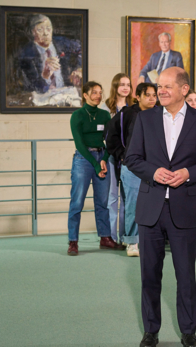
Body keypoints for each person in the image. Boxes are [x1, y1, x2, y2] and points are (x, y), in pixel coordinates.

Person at [124, 67, 196, 347]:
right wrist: (154, 172)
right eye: (158, 86)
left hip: (184, 209)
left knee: (185, 274)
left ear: (184, 89)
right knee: (149, 276)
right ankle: (151, 332)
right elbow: (132, 158)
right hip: (150, 208)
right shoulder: (144, 118)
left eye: (166, 86)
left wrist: (188, 173)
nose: (160, 91)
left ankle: (189, 332)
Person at [67, 82, 121, 255]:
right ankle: (73, 241)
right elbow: (79, 144)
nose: (98, 95)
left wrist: (104, 159)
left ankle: (105, 238)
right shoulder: (77, 115)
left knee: (102, 202)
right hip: (83, 160)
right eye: (94, 92)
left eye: (100, 92)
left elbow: (110, 141)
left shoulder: (105, 115)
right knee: (77, 202)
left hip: (102, 157)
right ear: (85, 95)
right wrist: (96, 164)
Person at [106, 82, 158, 257]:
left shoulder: (159, 114)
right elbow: (110, 135)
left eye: (154, 95)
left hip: (153, 167)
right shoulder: (127, 114)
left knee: (152, 204)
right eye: (147, 95)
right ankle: (131, 242)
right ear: (138, 96)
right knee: (133, 204)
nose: (152, 99)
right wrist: (122, 155)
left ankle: (149, 240)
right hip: (132, 166)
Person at [102, 73, 133, 246]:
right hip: (112, 157)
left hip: (128, 158)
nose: (125, 88)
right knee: (113, 197)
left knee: (128, 197)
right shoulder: (107, 108)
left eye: (128, 84)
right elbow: (106, 136)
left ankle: (126, 236)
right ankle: (113, 237)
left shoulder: (133, 108)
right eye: (122, 84)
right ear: (115, 86)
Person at [18, 14, 82, 94]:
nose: (45, 33)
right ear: (33, 32)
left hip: (66, 92)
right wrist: (44, 76)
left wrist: (79, 68)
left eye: (48, 29)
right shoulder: (26, 55)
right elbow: (33, 86)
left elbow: (81, 48)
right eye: (40, 30)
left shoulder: (61, 42)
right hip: (43, 98)